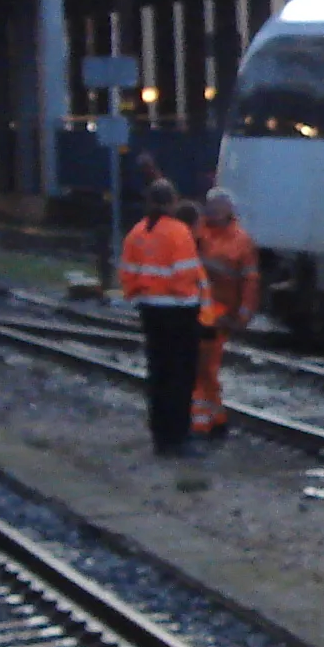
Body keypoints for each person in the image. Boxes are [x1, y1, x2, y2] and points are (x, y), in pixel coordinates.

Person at [119, 181, 204, 457]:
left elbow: (127, 274)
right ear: (172, 202)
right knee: (180, 375)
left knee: (158, 373)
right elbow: (186, 274)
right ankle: (177, 437)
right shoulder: (178, 232)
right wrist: (191, 300)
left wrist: (139, 295)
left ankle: (160, 435)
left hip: (149, 310)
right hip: (178, 311)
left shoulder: (137, 233)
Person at [190, 187, 259, 441]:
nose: (214, 211)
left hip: (218, 314)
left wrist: (243, 313)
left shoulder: (241, 240)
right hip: (199, 310)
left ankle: (206, 422)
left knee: (205, 368)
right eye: (212, 206)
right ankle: (212, 420)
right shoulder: (199, 232)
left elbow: (250, 280)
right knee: (202, 368)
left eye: (219, 207)